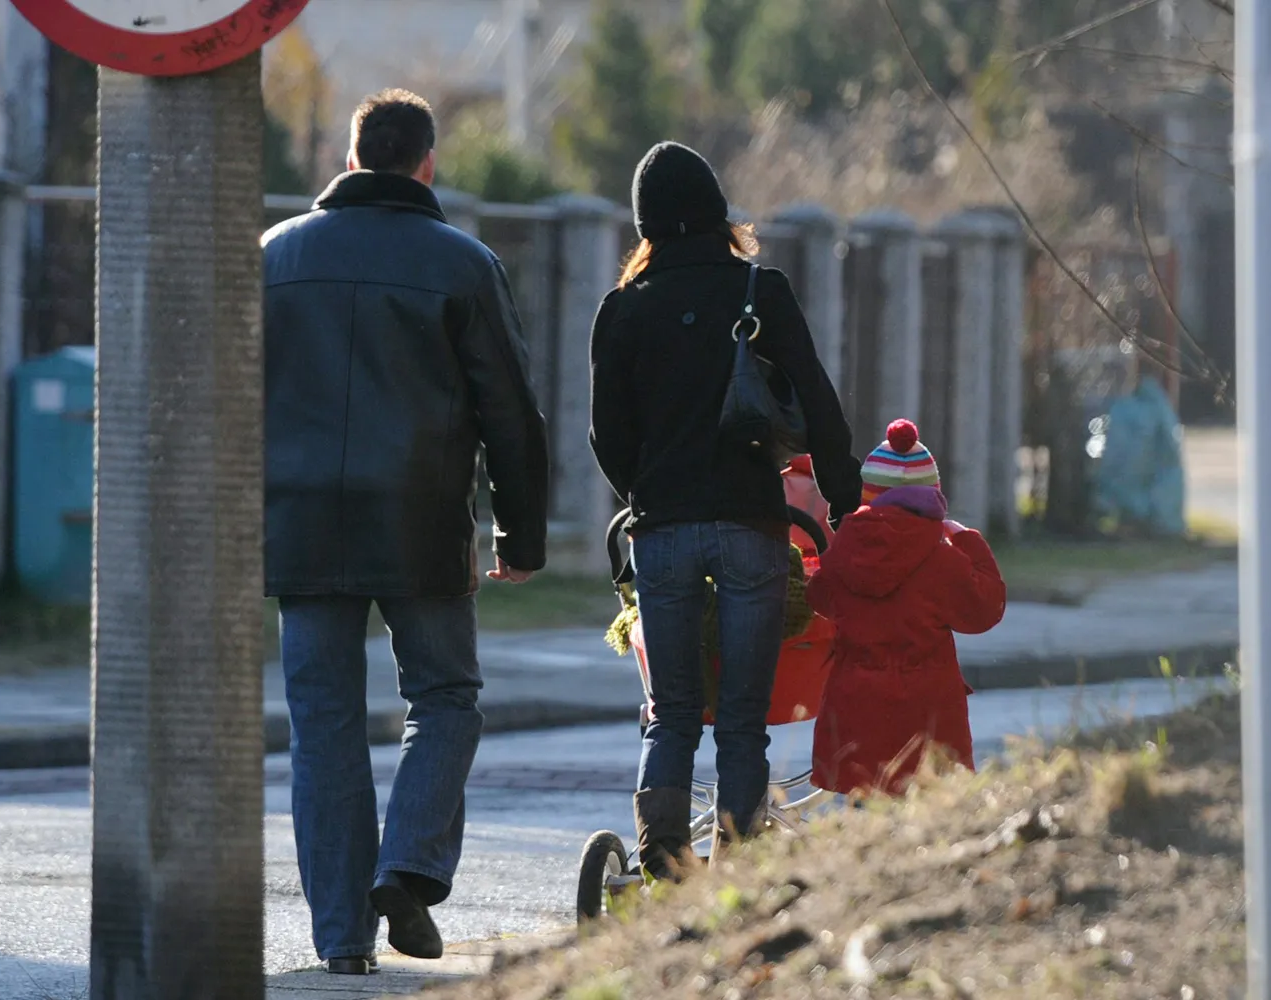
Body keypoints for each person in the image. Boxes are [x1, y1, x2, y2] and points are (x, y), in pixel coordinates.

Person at [262, 89, 550, 974]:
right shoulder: (462, 264)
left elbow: (223, 398)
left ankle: (342, 942)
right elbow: (511, 411)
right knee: (446, 697)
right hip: (420, 521)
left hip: (301, 525)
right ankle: (411, 867)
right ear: (426, 163)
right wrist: (520, 532)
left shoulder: (272, 258)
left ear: (351, 160)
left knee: (323, 727)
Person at [589, 141, 863, 877]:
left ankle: (663, 856)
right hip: (751, 524)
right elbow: (817, 402)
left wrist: (645, 492)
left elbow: (605, 434)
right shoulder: (758, 291)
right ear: (718, 213)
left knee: (671, 712)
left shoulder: (622, 309)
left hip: (663, 529)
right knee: (743, 717)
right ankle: (739, 865)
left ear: (646, 227)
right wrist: (843, 500)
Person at [806, 419, 1006, 797]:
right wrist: (967, 538)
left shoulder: (846, 549)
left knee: (866, 813)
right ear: (932, 497)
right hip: (927, 715)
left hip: (856, 711)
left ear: (868, 494)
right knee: (922, 825)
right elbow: (985, 609)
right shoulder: (942, 559)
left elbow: (818, 597)